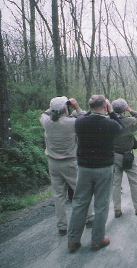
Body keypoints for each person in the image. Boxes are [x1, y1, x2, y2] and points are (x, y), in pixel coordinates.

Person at [67, 95, 124, 252]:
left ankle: (73, 240)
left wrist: (82, 110)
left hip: (84, 168)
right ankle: (97, 240)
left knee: (79, 203)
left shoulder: (79, 122)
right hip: (104, 168)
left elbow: (84, 116)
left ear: (90, 107)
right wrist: (111, 112)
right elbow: (121, 129)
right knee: (101, 204)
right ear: (105, 107)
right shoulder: (110, 124)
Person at [40, 96, 94, 236]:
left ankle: (62, 226)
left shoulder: (46, 122)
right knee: (81, 191)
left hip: (53, 162)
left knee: (58, 196)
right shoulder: (71, 123)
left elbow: (45, 114)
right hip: (70, 162)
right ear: (65, 109)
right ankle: (89, 218)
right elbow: (85, 121)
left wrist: (55, 107)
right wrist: (76, 107)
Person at [111, 98, 137, 218]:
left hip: (114, 155)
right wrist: (130, 110)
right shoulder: (131, 121)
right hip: (127, 156)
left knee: (116, 183)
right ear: (124, 110)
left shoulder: (108, 121)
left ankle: (117, 209)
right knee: (134, 181)